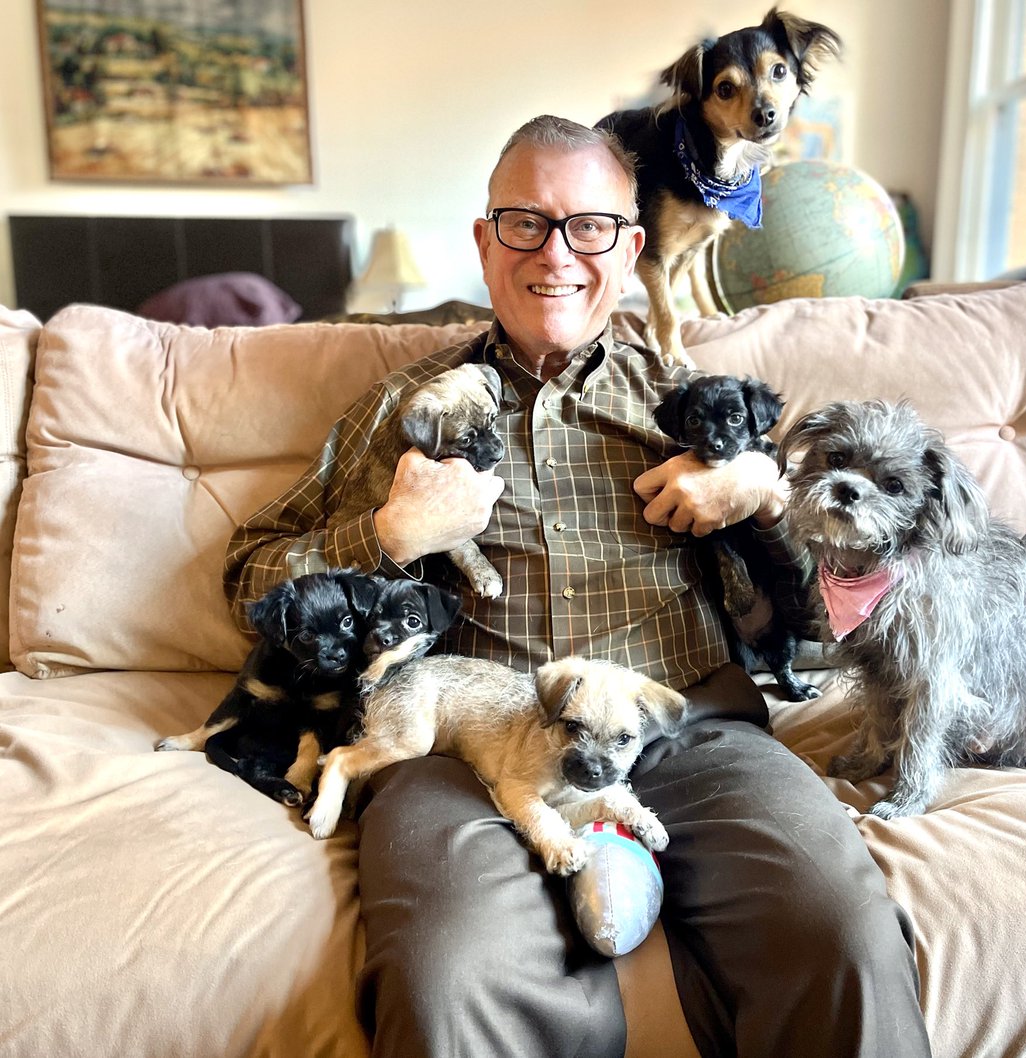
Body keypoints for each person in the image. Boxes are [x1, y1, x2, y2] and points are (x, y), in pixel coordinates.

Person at [225, 114, 931, 1058]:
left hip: (690, 731)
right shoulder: (409, 411)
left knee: (842, 934)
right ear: (484, 240)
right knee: (447, 977)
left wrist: (762, 497)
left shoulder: (691, 403)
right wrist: (387, 533)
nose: (555, 253)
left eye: (589, 226)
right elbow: (250, 573)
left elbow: (819, 630)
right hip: (469, 750)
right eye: (524, 222)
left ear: (632, 246)